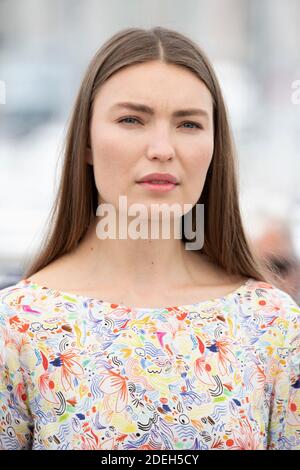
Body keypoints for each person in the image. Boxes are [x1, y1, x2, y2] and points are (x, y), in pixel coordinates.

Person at [0, 26, 299, 451]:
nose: (162, 148)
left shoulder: (272, 326)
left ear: (216, 146)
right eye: (131, 120)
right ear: (85, 140)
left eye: (189, 124)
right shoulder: (19, 327)